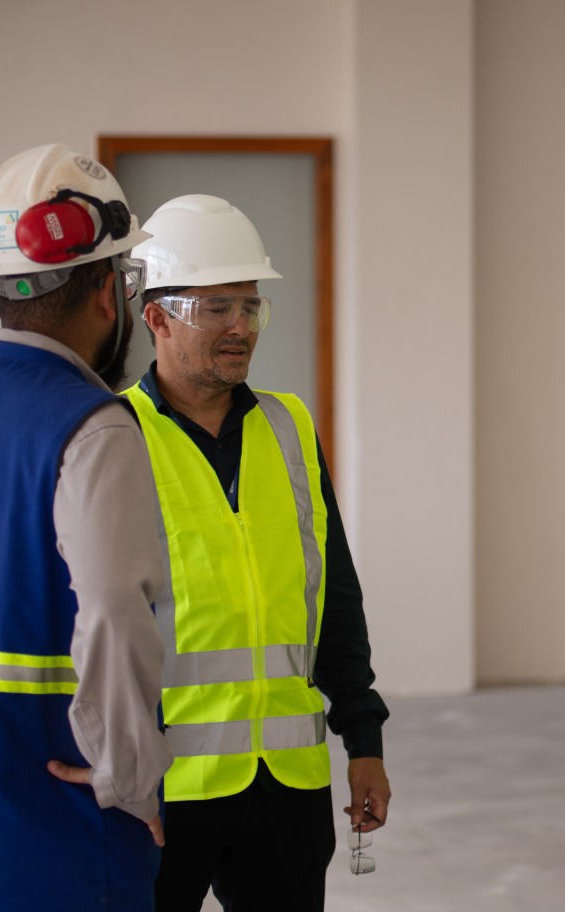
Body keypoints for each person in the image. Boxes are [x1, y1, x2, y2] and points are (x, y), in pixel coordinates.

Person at [126, 195, 391, 911]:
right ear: (157, 317)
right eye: (217, 308)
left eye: (250, 307)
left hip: (288, 785)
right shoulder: (115, 436)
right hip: (163, 793)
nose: (242, 327)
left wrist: (362, 736)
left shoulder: (289, 426)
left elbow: (333, 593)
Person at [0, 144, 172, 911]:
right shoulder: (93, 427)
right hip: (64, 822)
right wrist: (131, 777)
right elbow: (112, 612)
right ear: (108, 291)